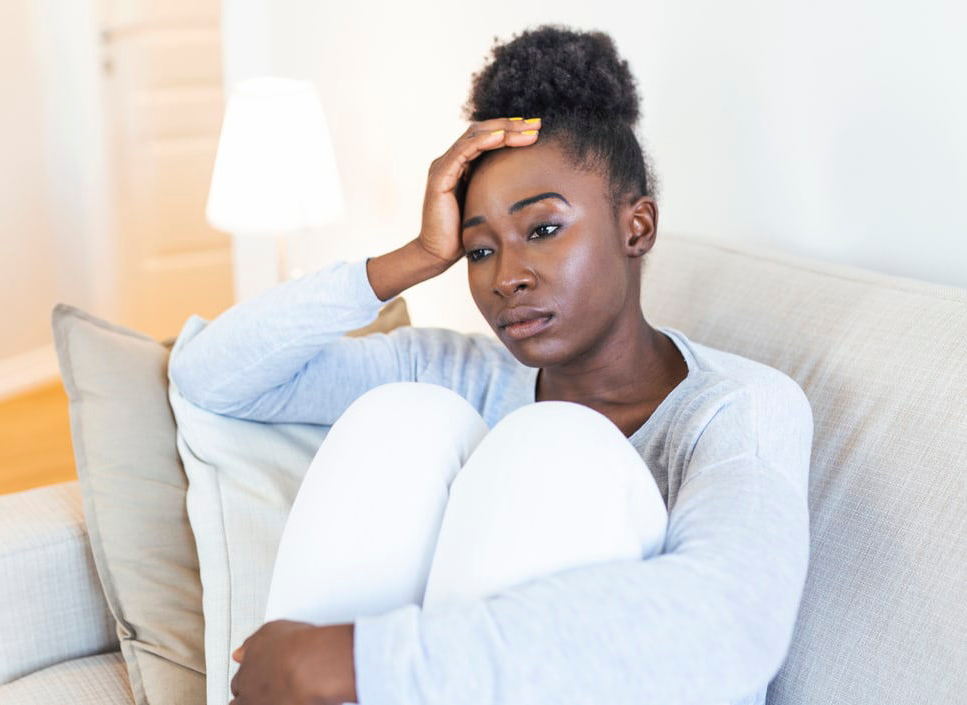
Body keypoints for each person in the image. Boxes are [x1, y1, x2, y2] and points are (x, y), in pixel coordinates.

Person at [169, 24, 814, 705]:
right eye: (480, 250)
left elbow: (728, 625)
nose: (508, 276)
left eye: (542, 230)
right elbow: (210, 377)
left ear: (637, 227)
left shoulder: (740, 407)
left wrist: (354, 661)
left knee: (555, 440)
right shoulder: (456, 376)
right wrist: (410, 258)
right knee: (404, 415)